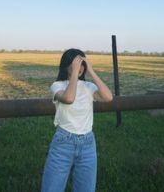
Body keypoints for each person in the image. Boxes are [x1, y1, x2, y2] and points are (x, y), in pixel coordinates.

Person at [41, 48, 113, 192]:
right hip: (63, 143)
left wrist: (91, 71)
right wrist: (74, 73)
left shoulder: (89, 87)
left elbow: (108, 97)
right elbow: (69, 98)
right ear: (66, 65)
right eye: (75, 64)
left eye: (81, 64)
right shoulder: (58, 86)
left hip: (88, 144)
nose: (79, 68)